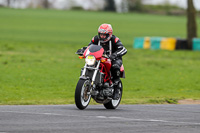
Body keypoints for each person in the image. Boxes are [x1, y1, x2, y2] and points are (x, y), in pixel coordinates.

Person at [88, 23, 127, 99]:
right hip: (100, 58)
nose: (102, 36)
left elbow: (123, 49)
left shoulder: (115, 40)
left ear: (109, 34)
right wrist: (83, 50)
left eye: (104, 35)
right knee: (90, 64)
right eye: (101, 34)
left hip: (114, 58)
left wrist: (114, 55)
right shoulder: (95, 39)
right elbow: (89, 47)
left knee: (115, 67)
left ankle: (116, 88)